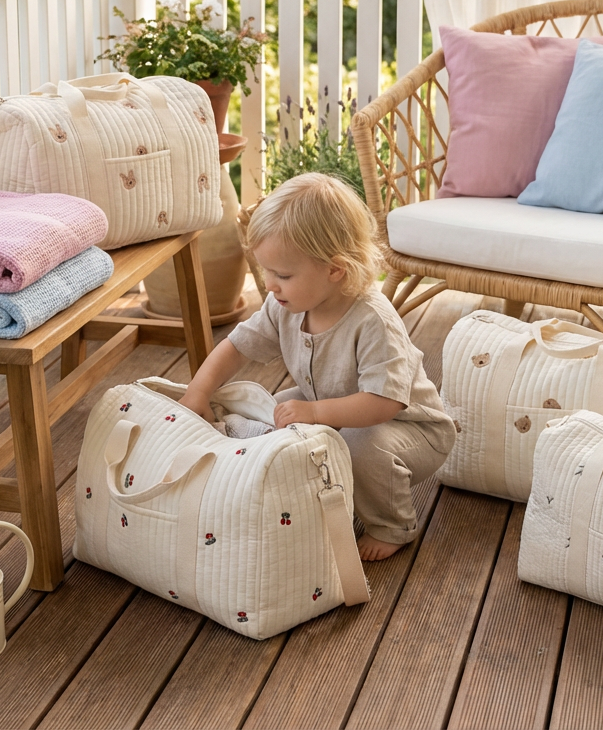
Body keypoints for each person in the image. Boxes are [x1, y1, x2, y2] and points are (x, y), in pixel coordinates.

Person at [180, 172, 457, 560]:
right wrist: (198, 391)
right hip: (332, 404)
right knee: (272, 407)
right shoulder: (286, 306)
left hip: (407, 429)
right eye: (265, 271)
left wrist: (315, 413)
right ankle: (291, 484)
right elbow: (236, 347)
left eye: (283, 275)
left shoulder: (373, 320)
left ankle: (392, 524)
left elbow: (384, 404)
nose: (270, 285)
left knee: (360, 446)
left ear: (335, 269)